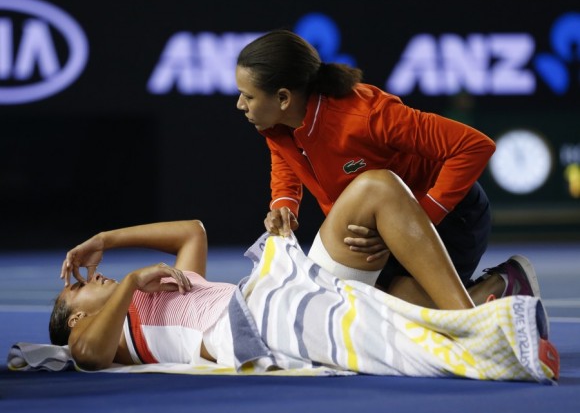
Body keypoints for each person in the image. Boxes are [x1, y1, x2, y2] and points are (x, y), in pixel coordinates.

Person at [49, 170, 548, 373]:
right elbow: (89, 357)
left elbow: (192, 232)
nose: (90, 278)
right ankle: (491, 301)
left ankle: (484, 302)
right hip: (260, 329)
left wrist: (105, 239)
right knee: (402, 309)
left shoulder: (161, 288)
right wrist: (133, 279)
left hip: (279, 291)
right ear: (76, 319)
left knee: (377, 190)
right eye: (78, 290)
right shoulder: (95, 339)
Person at [235, 29, 522, 305]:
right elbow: (285, 158)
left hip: (451, 219)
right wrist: (284, 204)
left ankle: (499, 285)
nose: (240, 104)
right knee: (373, 315)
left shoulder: (367, 116)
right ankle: (487, 295)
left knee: (399, 319)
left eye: (248, 96)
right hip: (380, 233)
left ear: (284, 98)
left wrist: (422, 218)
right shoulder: (277, 126)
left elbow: (475, 146)